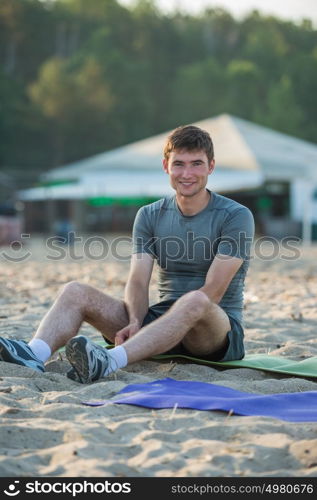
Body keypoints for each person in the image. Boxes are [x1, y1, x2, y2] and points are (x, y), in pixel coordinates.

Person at [0, 125, 254, 384]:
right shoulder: (149, 215)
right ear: (166, 166)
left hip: (214, 332)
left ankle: (110, 361)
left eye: (196, 164)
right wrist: (135, 320)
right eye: (179, 164)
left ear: (211, 166)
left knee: (195, 300)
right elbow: (138, 280)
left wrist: (156, 325)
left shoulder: (236, 216)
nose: (187, 173)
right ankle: (34, 353)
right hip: (160, 326)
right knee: (75, 291)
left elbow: (214, 290)